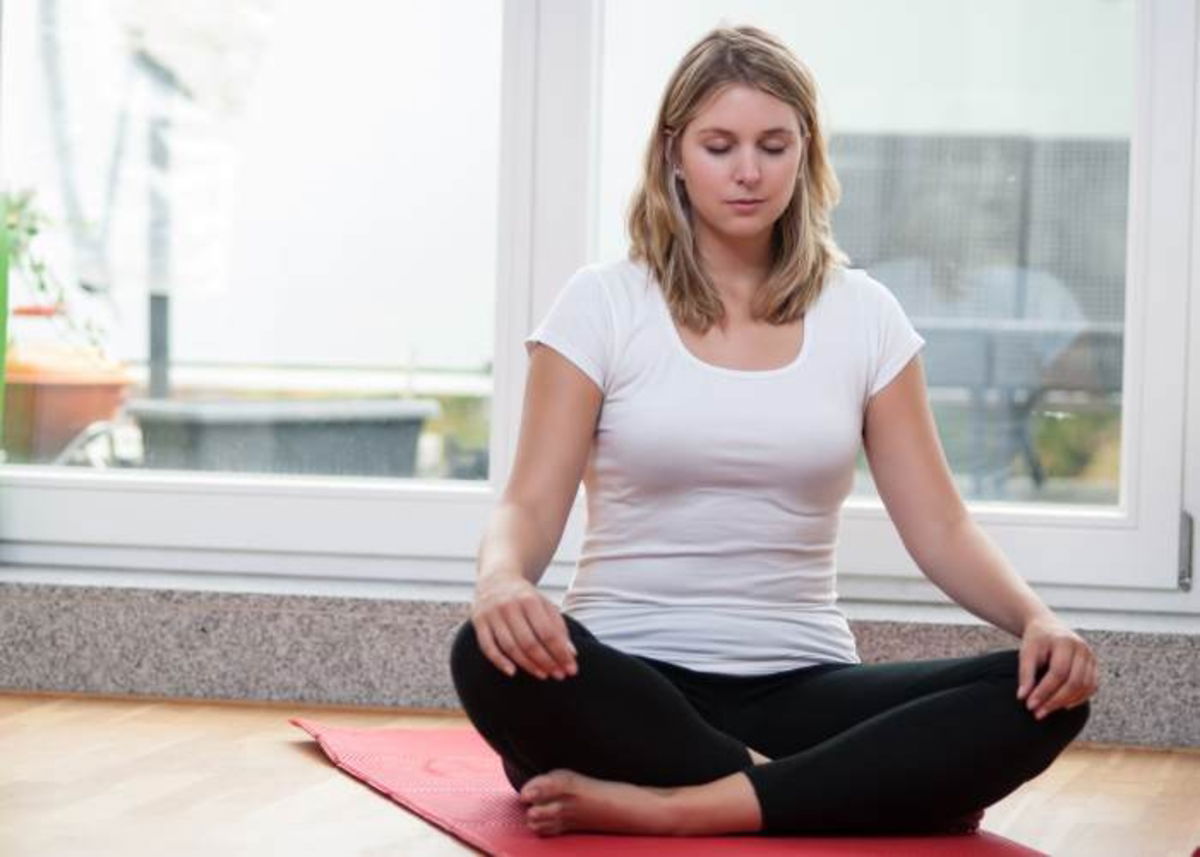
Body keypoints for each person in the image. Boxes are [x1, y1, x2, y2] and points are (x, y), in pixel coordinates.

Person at [449, 24, 1098, 839]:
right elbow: (531, 505)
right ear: (674, 153)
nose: (749, 172)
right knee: (484, 653)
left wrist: (1038, 620)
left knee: (1039, 695)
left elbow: (940, 525)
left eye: (773, 145)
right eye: (720, 146)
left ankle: (689, 804)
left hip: (802, 686)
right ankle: (824, 792)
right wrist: (502, 581)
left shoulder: (864, 315)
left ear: (807, 154)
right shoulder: (601, 303)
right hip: (628, 681)